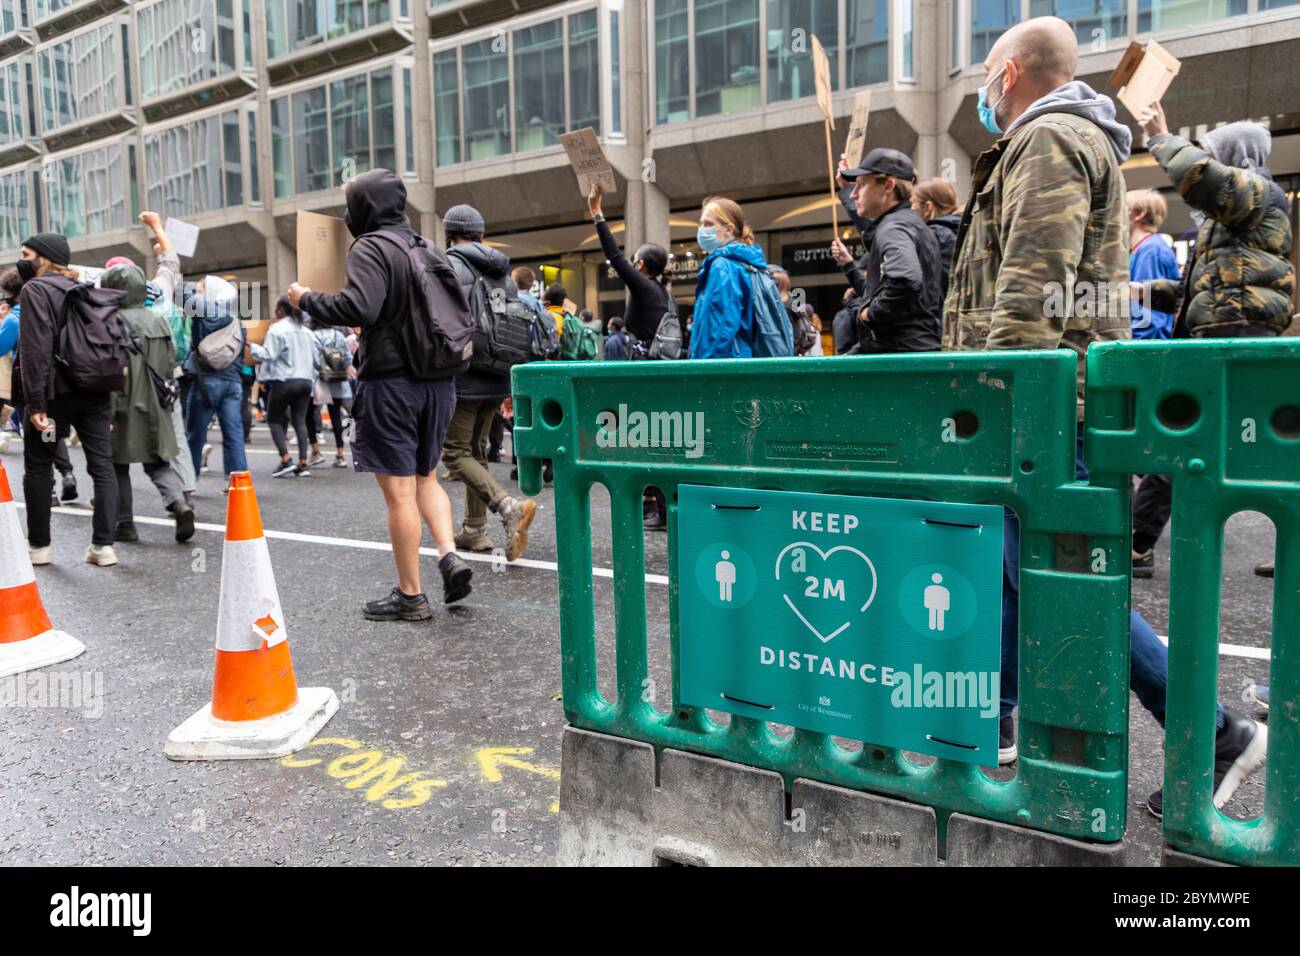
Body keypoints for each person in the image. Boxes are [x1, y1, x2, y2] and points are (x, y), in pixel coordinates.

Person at [944, 15, 1265, 817]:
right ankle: (1003, 719)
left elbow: (1030, 280)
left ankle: (1218, 732)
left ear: (1010, 72)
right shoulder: (1068, 138)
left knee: (1074, 586)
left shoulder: (1050, 138)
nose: (983, 89)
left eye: (986, 72)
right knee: (1021, 576)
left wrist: (1005, 400)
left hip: (1045, 410)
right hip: (1059, 403)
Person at [288, 168, 473, 617]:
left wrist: (305, 298)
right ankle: (449, 554)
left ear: (364, 207)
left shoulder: (370, 246)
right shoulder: (426, 246)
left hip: (393, 384)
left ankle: (410, 596)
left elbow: (360, 306)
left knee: (400, 493)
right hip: (439, 381)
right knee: (426, 477)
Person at [1129, 111, 1296, 580]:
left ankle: (1138, 541)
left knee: (1225, 444)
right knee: (1186, 440)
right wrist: (1139, 291)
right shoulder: (1233, 217)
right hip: (1220, 339)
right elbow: (1200, 293)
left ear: (1232, 157)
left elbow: (1201, 179)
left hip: (1239, 340)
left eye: (1213, 154)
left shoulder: (1257, 194)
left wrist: (1159, 135)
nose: (1205, 160)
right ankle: (1138, 542)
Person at [13, 232, 119, 566]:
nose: (23, 259)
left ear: (44, 257)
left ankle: (40, 547)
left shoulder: (35, 290)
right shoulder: (86, 289)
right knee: (102, 466)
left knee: (40, 465)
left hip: (54, 397)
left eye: (27, 253)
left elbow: (35, 348)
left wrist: (36, 403)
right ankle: (104, 547)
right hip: (95, 391)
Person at [440, 203, 538, 562]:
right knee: (477, 450)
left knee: (454, 452)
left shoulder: (450, 264)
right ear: (481, 234)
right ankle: (473, 530)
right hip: (497, 371)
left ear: (450, 235)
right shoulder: (503, 272)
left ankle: (507, 505)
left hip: (464, 371)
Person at [99, 262, 195, 544]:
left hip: (122, 403)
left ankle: (125, 524)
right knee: (157, 462)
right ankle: (178, 503)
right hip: (157, 401)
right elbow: (170, 361)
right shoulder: (159, 320)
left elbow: (108, 370)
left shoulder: (110, 322)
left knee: (117, 465)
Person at [831, 149, 942, 353]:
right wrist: (848, 265)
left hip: (897, 354)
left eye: (862, 185)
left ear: (888, 185)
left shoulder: (894, 228)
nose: (855, 193)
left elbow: (906, 279)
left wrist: (869, 314)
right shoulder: (907, 223)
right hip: (910, 350)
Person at [690, 197, 787, 358]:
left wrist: (702, 370)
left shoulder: (722, 265)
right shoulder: (746, 264)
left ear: (729, 229)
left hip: (721, 367)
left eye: (708, 224)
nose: (702, 229)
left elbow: (717, 327)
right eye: (701, 224)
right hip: (741, 359)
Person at [587, 184, 675, 346]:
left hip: (644, 364)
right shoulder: (662, 292)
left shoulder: (644, 287)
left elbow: (614, 256)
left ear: (640, 264)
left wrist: (596, 212)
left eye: (634, 258)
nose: (631, 263)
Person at [183, 274, 248, 481]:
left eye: (202, 289)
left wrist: (190, 287)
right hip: (233, 384)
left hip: (206, 381)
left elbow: (180, 292)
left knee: (195, 435)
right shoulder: (238, 322)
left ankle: (188, 483)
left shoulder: (207, 310)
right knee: (234, 435)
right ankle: (237, 483)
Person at [252, 297, 317, 478]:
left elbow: (269, 355)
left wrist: (252, 346)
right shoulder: (307, 332)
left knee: (274, 419)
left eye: (276, 308)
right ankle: (303, 463)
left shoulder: (277, 329)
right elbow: (316, 360)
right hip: (305, 381)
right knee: (300, 421)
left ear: (281, 310)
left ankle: (286, 459)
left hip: (285, 381)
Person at [911, 177, 961, 302]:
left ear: (927, 207)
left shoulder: (935, 235)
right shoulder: (961, 228)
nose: (910, 211)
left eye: (913, 205)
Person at [313, 320, 354, 467]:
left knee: (316, 415)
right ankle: (341, 455)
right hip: (339, 378)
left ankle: (317, 452)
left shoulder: (314, 336)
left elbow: (315, 361)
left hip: (322, 381)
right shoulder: (339, 335)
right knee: (338, 418)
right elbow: (347, 357)